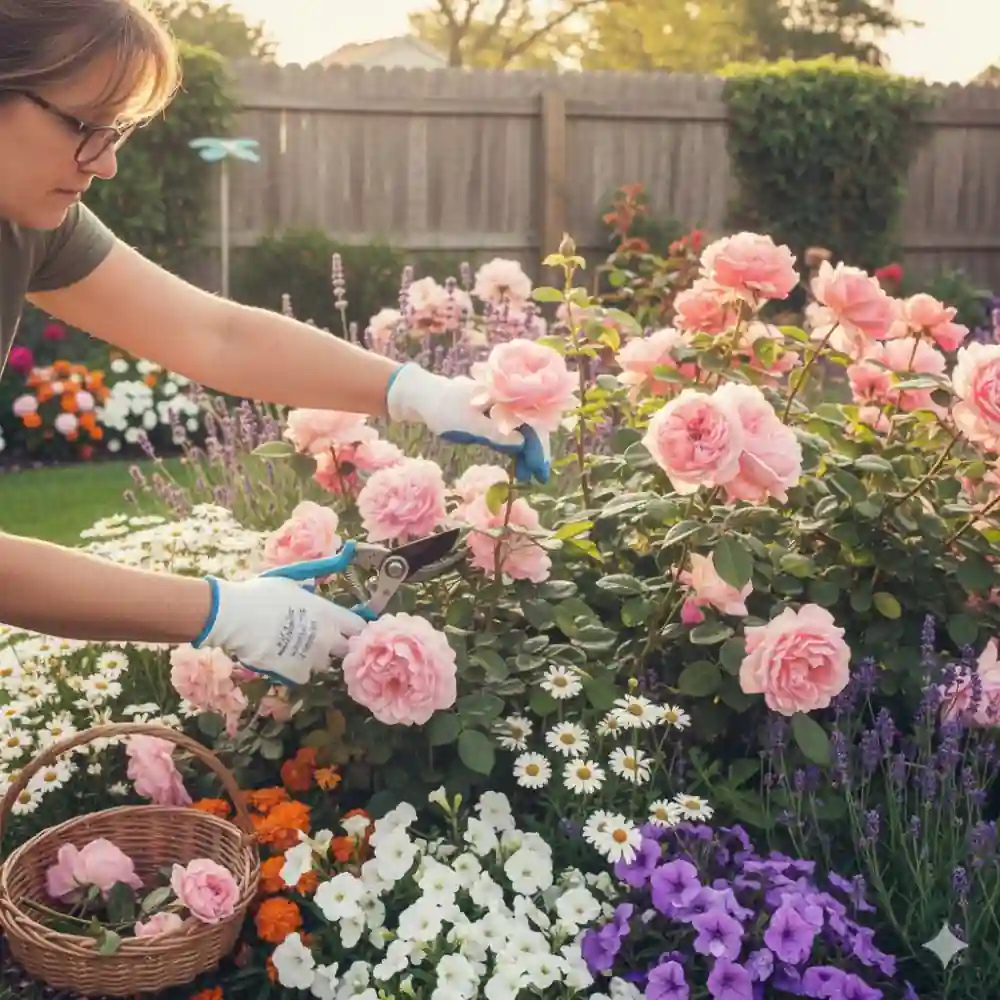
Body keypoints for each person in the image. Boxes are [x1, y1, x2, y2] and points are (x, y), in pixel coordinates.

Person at [0, 0, 549, 685]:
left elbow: (216, 335)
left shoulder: (28, 220)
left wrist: (422, 394)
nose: (106, 164)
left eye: (118, 131)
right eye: (87, 126)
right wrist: (224, 612)